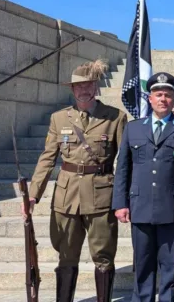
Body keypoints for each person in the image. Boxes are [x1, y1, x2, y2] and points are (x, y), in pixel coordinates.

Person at [25, 60, 127, 302]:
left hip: (101, 195)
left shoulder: (115, 117)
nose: (83, 90)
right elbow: (47, 158)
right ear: (72, 89)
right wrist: (33, 195)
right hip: (67, 196)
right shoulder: (60, 118)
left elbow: (125, 162)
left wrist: (124, 199)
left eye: (88, 85)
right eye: (78, 86)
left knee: (103, 256)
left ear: (96, 86)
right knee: (66, 255)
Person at [112, 72, 174, 302]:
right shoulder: (133, 128)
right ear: (150, 99)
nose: (163, 99)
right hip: (140, 206)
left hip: (173, 208)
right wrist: (120, 203)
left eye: (168, 95)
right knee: (143, 263)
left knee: (170, 265)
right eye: (158, 94)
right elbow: (123, 169)